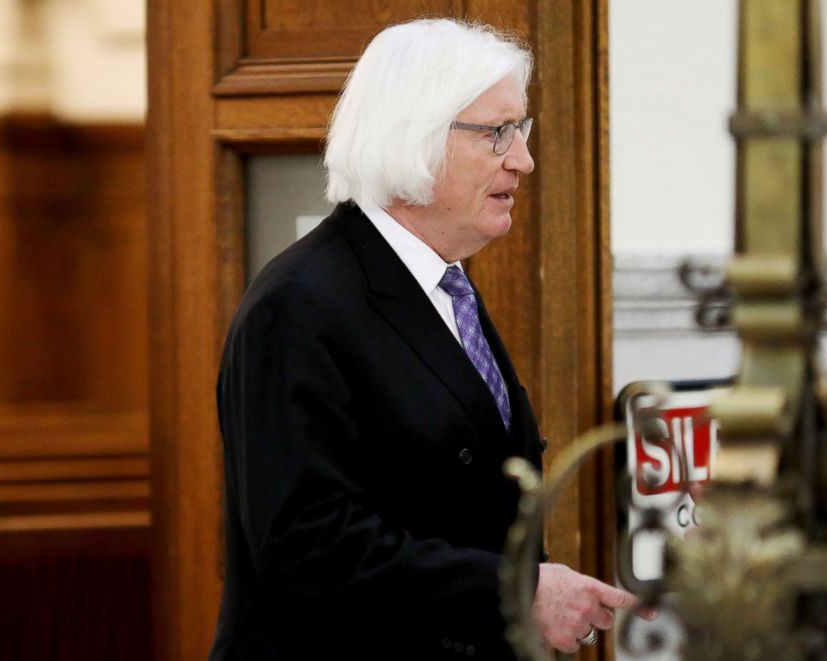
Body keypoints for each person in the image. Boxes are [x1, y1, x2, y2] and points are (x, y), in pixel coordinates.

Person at [208, 18, 650, 661]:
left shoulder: (443, 286)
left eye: (521, 131)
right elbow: (305, 546)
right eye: (497, 133)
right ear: (413, 137)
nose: (523, 159)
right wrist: (515, 592)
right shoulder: (298, 304)